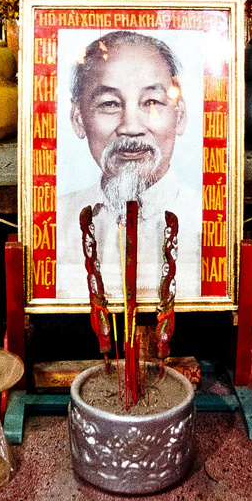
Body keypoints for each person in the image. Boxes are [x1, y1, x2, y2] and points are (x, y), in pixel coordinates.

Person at [55, 31, 202, 303]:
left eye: (152, 102)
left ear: (179, 116)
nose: (131, 128)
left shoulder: (206, 221)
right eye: (109, 104)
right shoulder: (54, 223)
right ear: (77, 118)